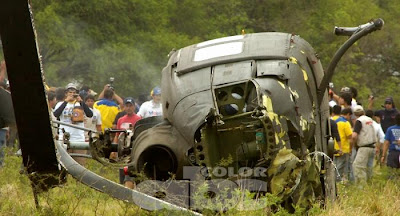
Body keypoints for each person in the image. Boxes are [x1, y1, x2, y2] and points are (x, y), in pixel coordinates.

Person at [53, 83, 93, 165]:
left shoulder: (80, 104)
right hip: (64, 138)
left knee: (80, 164)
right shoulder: (60, 104)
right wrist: (66, 102)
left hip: (78, 138)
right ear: (66, 93)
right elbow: (55, 115)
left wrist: (81, 101)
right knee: (63, 164)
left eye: (73, 92)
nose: (71, 94)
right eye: (69, 92)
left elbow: (90, 114)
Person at [114, 97, 141, 189]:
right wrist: (114, 150)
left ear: (134, 107)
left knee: (132, 171)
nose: (129, 108)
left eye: (130, 106)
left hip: (134, 149)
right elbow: (117, 135)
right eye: (127, 106)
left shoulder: (139, 119)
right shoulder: (120, 120)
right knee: (122, 169)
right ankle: (123, 188)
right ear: (124, 107)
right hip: (122, 150)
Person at [352, 105, 378, 183]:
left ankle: (361, 187)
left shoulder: (359, 121)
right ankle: (370, 184)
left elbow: (354, 136)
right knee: (369, 167)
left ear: (355, 114)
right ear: (363, 112)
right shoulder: (369, 119)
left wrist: (354, 145)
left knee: (358, 166)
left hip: (364, 147)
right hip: (372, 146)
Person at [332, 106, 353, 182]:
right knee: (340, 169)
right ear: (347, 114)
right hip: (343, 149)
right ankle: (338, 184)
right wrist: (350, 149)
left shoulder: (330, 120)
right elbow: (350, 137)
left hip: (332, 148)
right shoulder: (345, 123)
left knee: (333, 168)